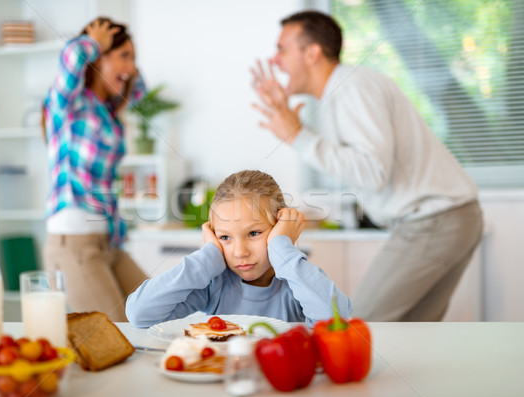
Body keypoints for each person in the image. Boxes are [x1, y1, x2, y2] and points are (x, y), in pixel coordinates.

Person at [251, 11, 483, 322]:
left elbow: (372, 172)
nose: (275, 60)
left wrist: (298, 136)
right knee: (412, 335)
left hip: (435, 221)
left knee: (361, 328)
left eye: (282, 49)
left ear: (312, 53)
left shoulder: (351, 87)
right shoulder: (343, 91)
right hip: (447, 218)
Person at [126, 170, 351, 328]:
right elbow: (139, 314)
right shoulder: (214, 285)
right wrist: (206, 258)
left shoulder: (297, 282)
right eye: (225, 237)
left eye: (254, 233)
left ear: (280, 229)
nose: (240, 251)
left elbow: (338, 320)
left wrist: (282, 248)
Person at [42, 17, 148, 322]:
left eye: (133, 58)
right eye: (123, 56)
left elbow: (139, 92)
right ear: (96, 58)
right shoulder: (69, 105)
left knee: (158, 312)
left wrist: (126, 66)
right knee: (117, 334)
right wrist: (94, 42)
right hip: (73, 245)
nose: (130, 68)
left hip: (108, 243)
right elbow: (72, 59)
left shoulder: (108, 111)